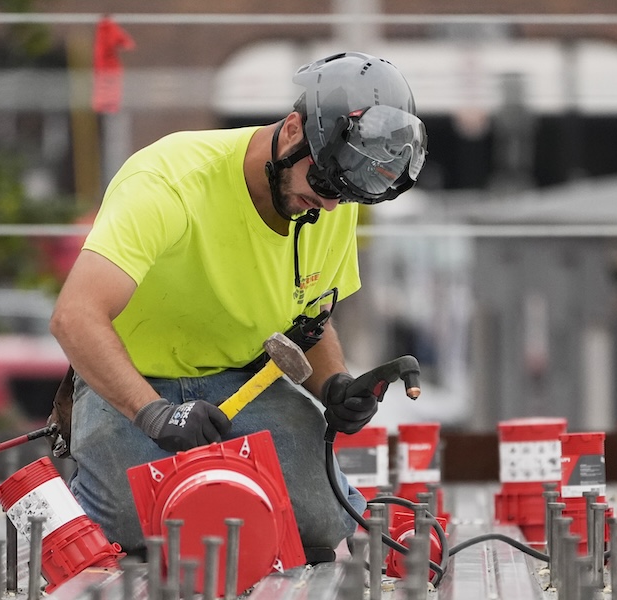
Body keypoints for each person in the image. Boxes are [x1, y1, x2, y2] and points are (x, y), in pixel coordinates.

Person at [49, 51, 428, 562]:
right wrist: (156, 415)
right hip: (134, 387)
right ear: (293, 130)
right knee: (128, 529)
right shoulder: (169, 180)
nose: (332, 205)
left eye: (345, 193)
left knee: (323, 521)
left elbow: (311, 325)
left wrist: (334, 385)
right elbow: (74, 317)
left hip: (244, 383)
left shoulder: (330, 202)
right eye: (323, 185)